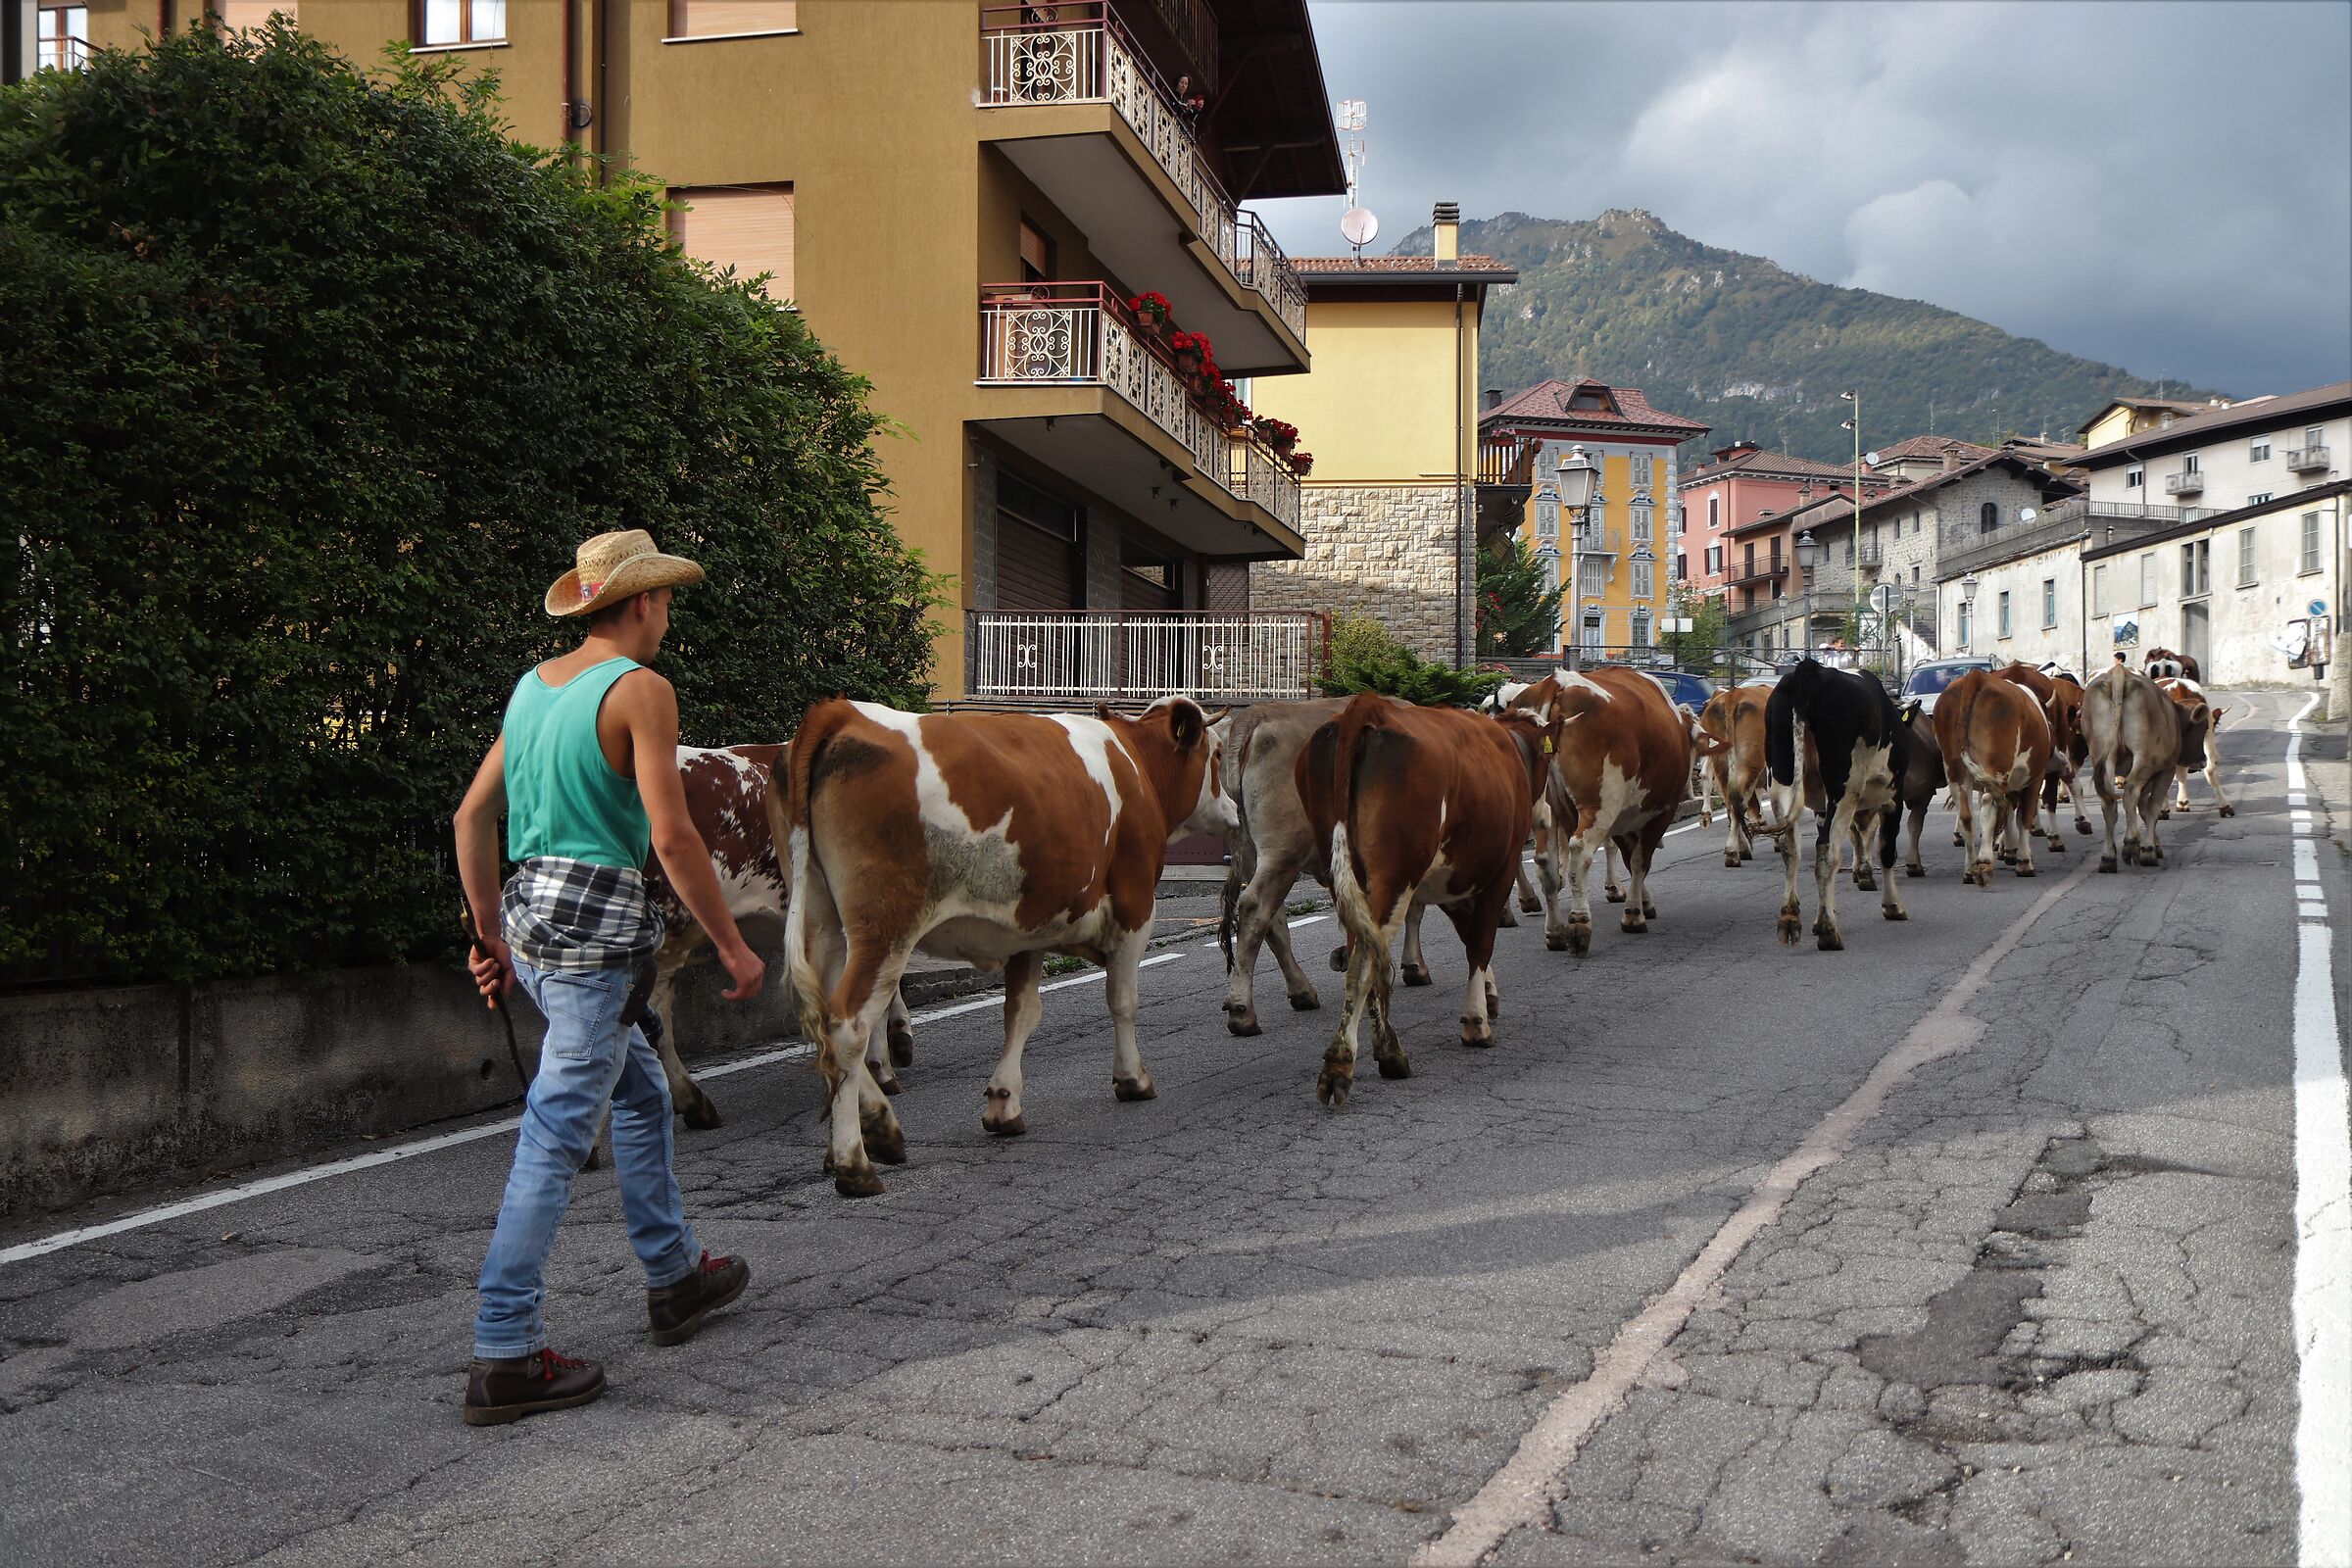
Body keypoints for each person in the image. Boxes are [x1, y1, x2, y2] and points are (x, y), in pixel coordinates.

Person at [452, 528, 767, 1426]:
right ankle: (504, 1352)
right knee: (553, 1137)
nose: (667, 614)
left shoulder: (531, 689)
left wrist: (488, 936)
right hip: (598, 941)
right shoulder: (641, 691)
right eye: (664, 599)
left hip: (538, 929)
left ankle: (674, 1278)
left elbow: (472, 817)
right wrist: (735, 948)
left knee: (634, 1092)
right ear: (639, 603)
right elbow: (671, 839)